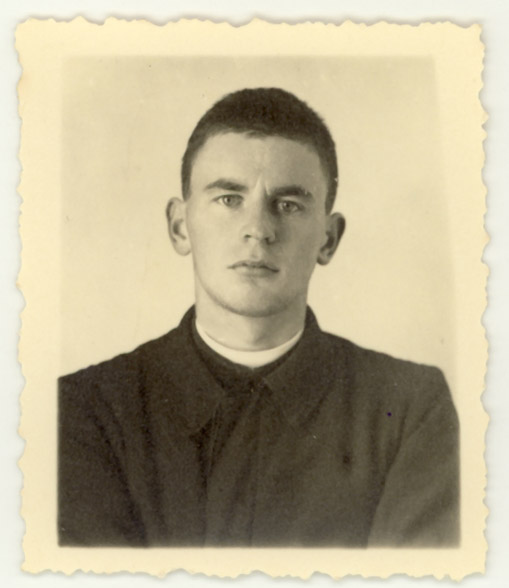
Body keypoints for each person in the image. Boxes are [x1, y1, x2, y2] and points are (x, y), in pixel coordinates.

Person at [58, 87, 459, 547]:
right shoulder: (86, 410)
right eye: (229, 199)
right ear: (180, 226)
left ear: (328, 239)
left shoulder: (410, 411)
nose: (258, 230)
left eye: (288, 205)